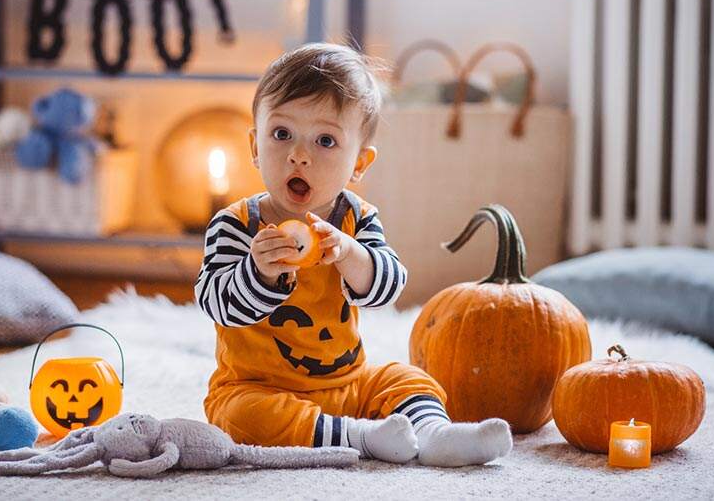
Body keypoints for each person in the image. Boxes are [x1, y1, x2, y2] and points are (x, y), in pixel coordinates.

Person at [195, 43, 512, 466]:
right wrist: (258, 272)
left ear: (359, 163)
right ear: (255, 146)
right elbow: (214, 302)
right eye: (281, 133)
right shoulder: (236, 224)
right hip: (259, 386)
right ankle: (360, 437)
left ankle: (435, 436)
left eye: (325, 140)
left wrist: (350, 255)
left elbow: (388, 287)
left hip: (349, 381)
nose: (299, 154)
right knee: (242, 418)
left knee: (408, 378)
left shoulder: (358, 219)